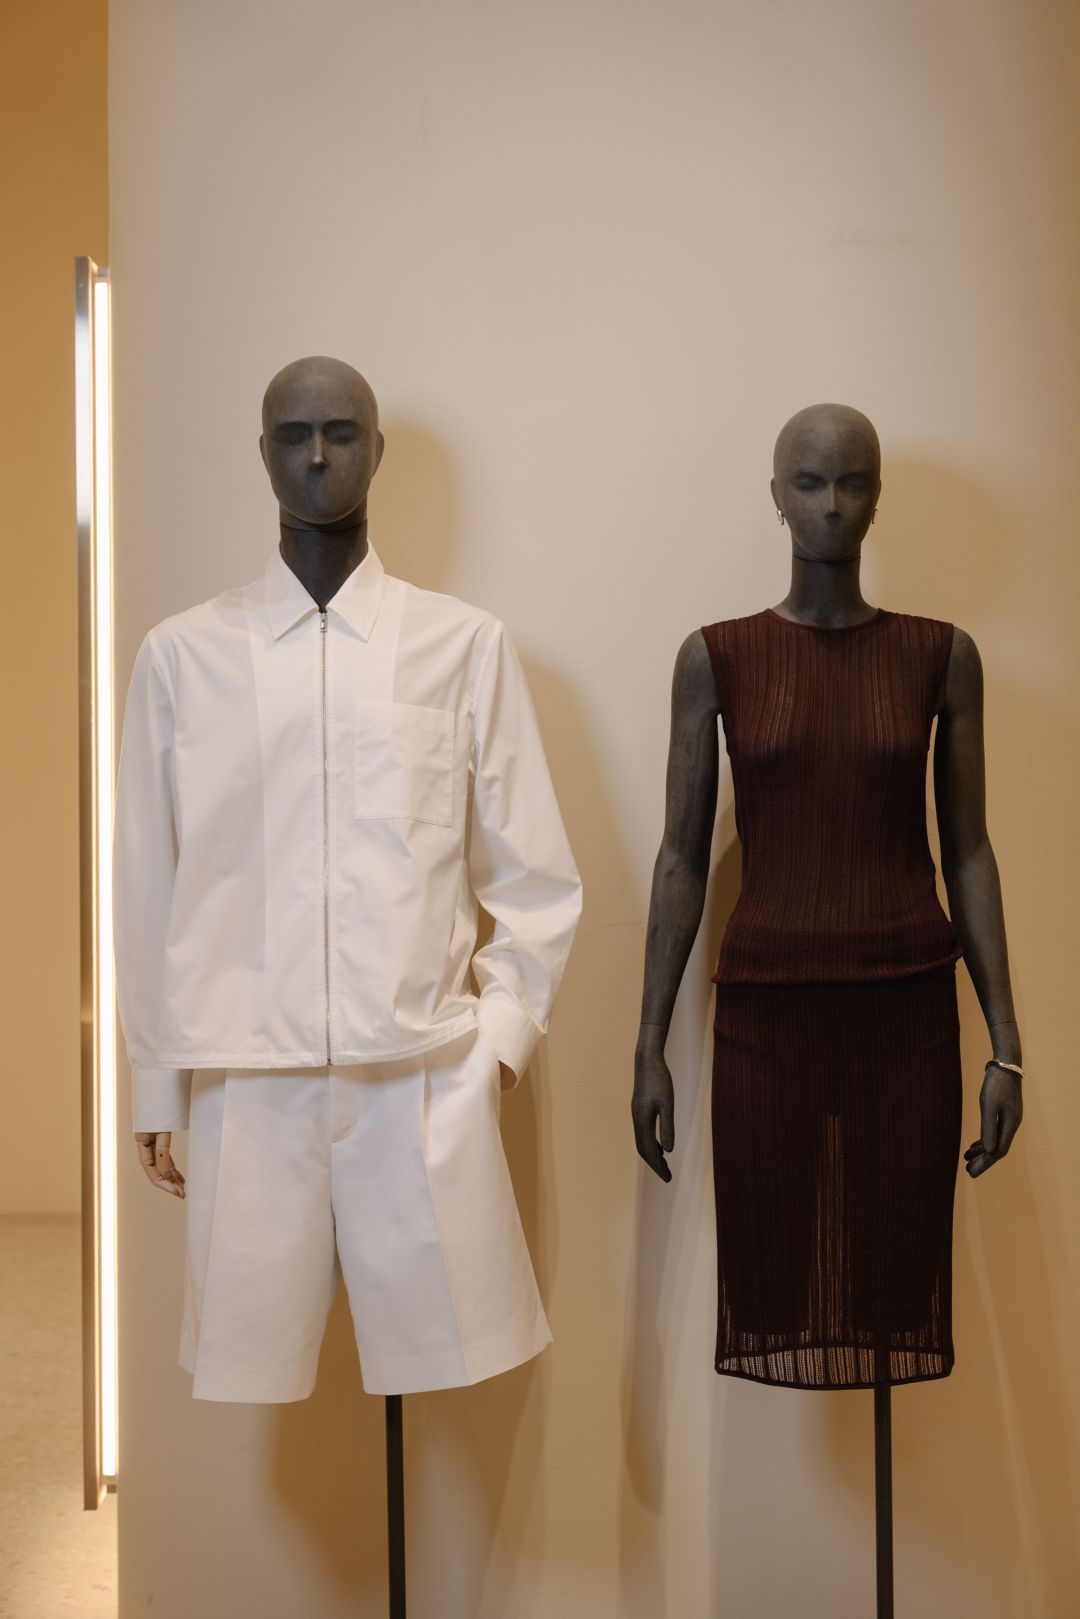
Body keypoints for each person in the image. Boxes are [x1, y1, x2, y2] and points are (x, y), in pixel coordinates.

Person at [113, 355, 582, 1401]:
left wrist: (496, 1049)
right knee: (253, 1359)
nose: (317, 456)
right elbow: (147, 883)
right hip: (245, 1081)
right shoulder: (182, 659)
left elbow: (536, 875)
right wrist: (157, 1078)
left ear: (378, 449)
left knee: (448, 1352)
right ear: (261, 453)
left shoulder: (463, 647)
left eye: (341, 431)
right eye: (293, 433)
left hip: (420, 1077)